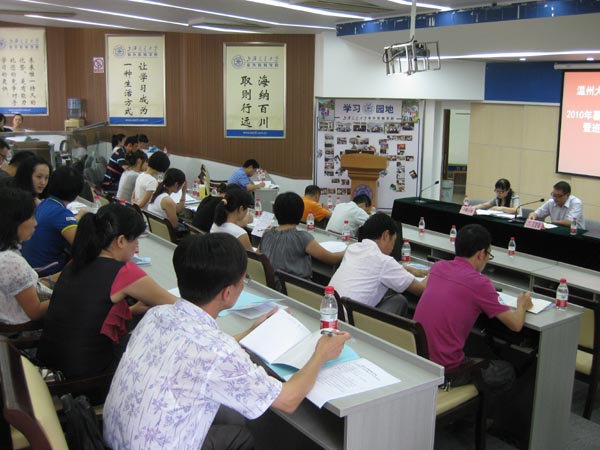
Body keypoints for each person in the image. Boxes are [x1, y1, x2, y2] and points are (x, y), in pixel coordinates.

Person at [102, 233, 350, 450]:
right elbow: (288, 400)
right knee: (243, 435)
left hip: (114, 439)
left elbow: (200, 352)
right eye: (243, 280)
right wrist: (321, 353)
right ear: (228, 292)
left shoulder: (158, 314)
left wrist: (251, 331)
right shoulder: (218, 350)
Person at [37, 203, 177, 379]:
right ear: (121, 241)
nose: (137, 248)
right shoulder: (124, 272)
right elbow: (177, 304)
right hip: (88, 374)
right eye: (135, 240)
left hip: (53, 360)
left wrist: (131, 310)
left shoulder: (77, 261)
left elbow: (85, 309)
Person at [413, 224, 533, 388]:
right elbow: (516, 324)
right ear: (481, 254)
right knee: (507, 370)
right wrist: (522, 305)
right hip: (447, 372)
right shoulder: (480, 284)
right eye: (488, 254)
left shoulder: (438, 267)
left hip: (418, 359)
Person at [330, 213, 427, 317]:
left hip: (329, 311)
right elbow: (422, 289)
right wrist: (434, 271)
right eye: (394, 241)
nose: (393, 248)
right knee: (399, 300)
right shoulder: (384, 261)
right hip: (351, 321)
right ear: (386, 235)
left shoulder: (353, 248)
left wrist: (406, 269)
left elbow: (372, 267)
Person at [259, 192, 344, 286]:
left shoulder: (266, 234)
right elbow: (332, 259)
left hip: (270, 286)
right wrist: (347, 251)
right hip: (296, 289)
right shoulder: (302, 238)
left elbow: (259, 257)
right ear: (300, 213)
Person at [21, 167, 83, 276]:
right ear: (77, 192)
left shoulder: (44, 204)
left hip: (28, 264)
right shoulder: (60, 213)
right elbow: (83, 244)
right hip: (44, 269)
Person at [0, 188, 49, 324]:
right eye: (32, 217)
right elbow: (35, 312)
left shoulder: (7, 251)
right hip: (20, 327)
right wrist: (65, 296)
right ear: (15, 220)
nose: (36, 223)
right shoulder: (11, 261)